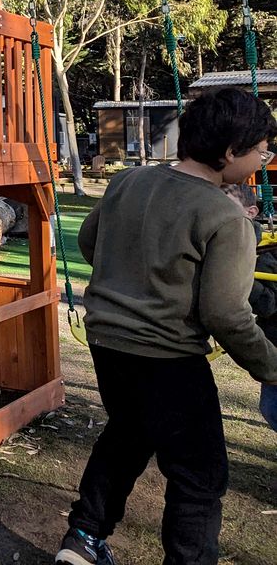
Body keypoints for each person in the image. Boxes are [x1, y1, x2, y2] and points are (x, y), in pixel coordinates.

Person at [56, 86, 277, 565]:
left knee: (128, 435)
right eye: (261, 150)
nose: (264, 158)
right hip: (167, 358)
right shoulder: (226, 216)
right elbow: (227, 313)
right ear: (229, 152)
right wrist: (271, 367)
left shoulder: (129, 182)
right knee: (199, 476)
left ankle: (83, 539)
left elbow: (92, 245)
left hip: (107, 342)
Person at [222, 182, 277, 432]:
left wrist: (243, 276)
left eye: (226, 208)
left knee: (272, 408)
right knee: (270, 407)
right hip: (273, 341)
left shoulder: (265, 254)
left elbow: (267, 303)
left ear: (251, 212)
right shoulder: (237, 249)